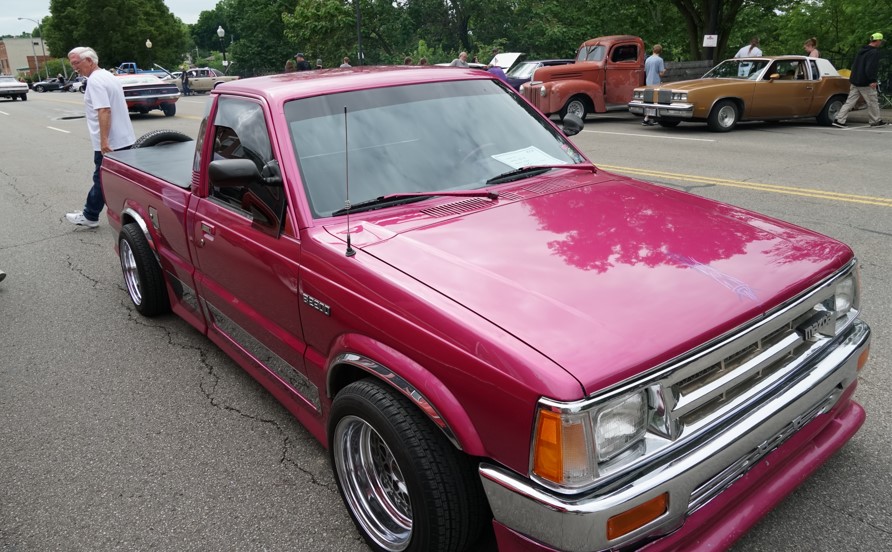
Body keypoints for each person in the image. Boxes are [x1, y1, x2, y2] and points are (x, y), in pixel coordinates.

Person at [65, 47, 135, 228]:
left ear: (89, 60)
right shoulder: (108, 76)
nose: (74, 68)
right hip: (124, 138)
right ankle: (131, 211)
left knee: (101, 179)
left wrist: (104, 141)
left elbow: (104, 109)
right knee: (120, 179)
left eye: (76, 63)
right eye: (72, 64)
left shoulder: (95, 81)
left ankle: (90, 215)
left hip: (110, 143)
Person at [833, 32, 887, 128]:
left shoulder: (862, 50)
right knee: (872, 101)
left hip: (855, 80)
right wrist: (872, 80)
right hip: (865, 82)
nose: (880, 44)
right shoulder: (873, 52)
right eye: (880, 41)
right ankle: (875, 121)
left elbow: (856, 66)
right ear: (878, 41)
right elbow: (870, 67)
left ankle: (839, 120)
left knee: (850, 101)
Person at [642, 44, 666, 126]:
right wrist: (664, 71)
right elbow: (661, 73)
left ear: (653, 50)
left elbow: (646, 71)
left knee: (649, 101)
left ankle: (648, 118)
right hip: (656, 82)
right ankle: (648, 118)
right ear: (660, 51)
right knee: (655, 101)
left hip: (648, 82)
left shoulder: (647, 60)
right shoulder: (660, 60)